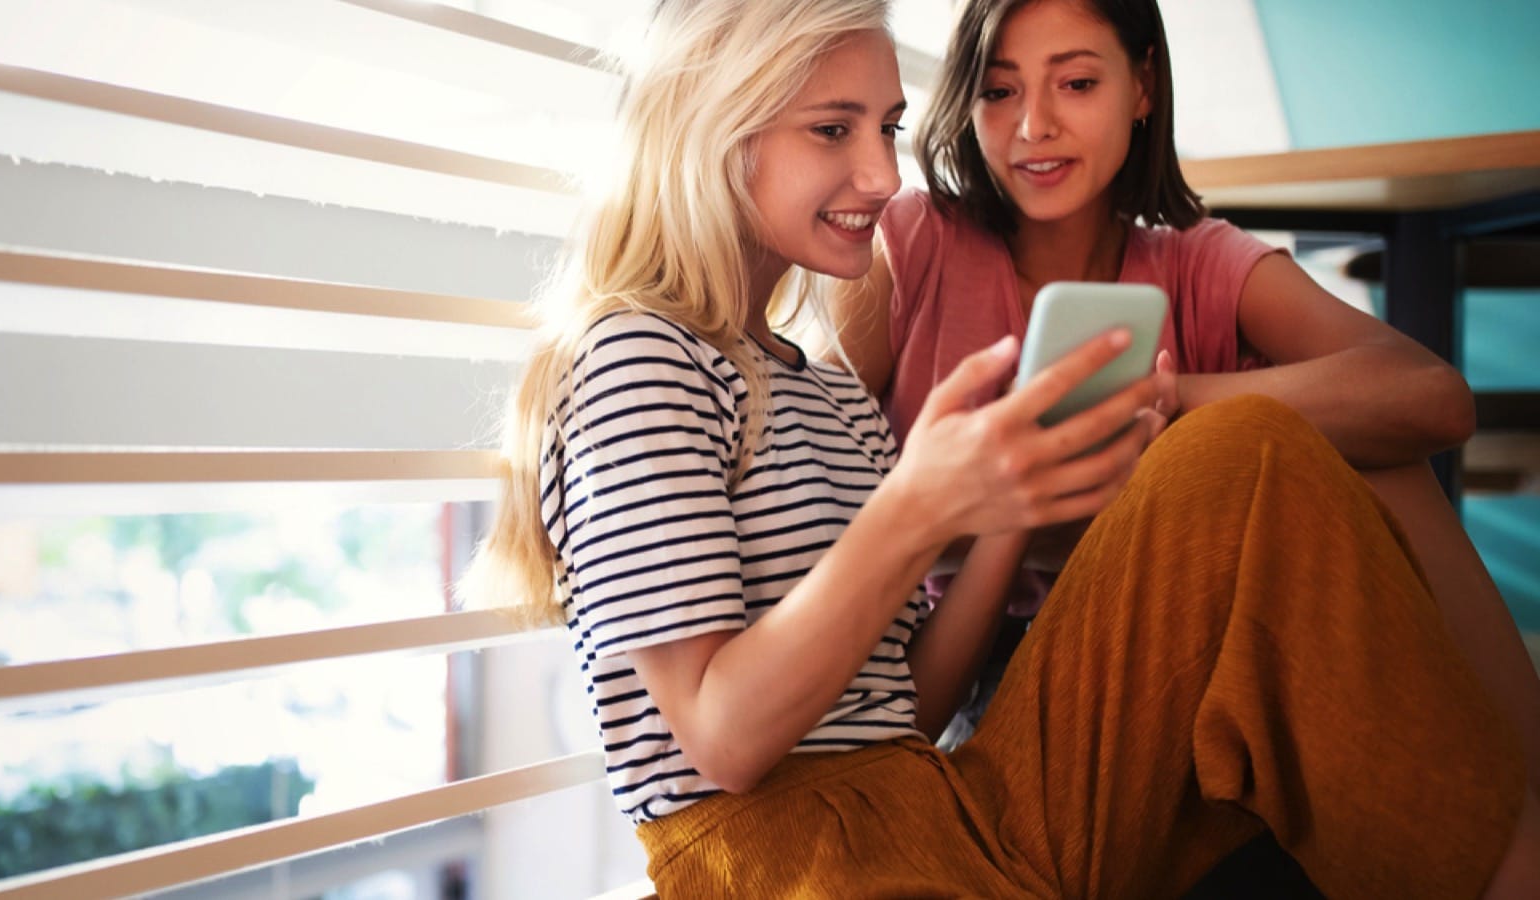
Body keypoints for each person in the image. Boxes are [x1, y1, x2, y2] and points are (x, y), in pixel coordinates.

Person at [470, 0, 1538, 896]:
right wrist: (919, 507)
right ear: (714, 130)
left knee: (1248, 448)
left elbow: (911, 711)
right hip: (784, 863)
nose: (881, 176)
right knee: (1249, 454)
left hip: (939, 807)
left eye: (885, 128)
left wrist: (1004, 502)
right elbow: (724, 740)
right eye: (831, 131)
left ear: (1141, 90)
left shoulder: (819, 384)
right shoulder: (635, 358)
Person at [822, 0, 1540, 788]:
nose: (1034, 126)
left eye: (1077, 83)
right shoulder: (913, 243)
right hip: (986, 662)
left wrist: (1167, 405)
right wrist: (1017, 505)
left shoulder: (1198, 261)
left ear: (1142, 88)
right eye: (1000, 91)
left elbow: (1432, 398)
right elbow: (820, 505)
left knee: (1378, 457)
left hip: (1187, 637)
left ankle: (1525, 787)